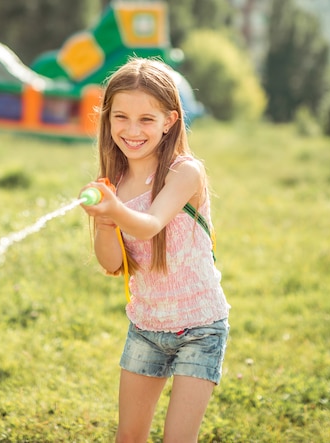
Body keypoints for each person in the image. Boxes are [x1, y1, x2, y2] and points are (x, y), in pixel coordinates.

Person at [79, 58, 230, 443]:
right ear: (107, 118)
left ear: (170, 120)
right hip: (146, 327)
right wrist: (107, 221)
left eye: (147, 119)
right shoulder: (115, 181)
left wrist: (115, 210)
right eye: (121, 117)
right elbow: (113, 263)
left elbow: (150, 225)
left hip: (200, 327)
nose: (131, 131)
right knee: (128, 436)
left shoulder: (185, 172)